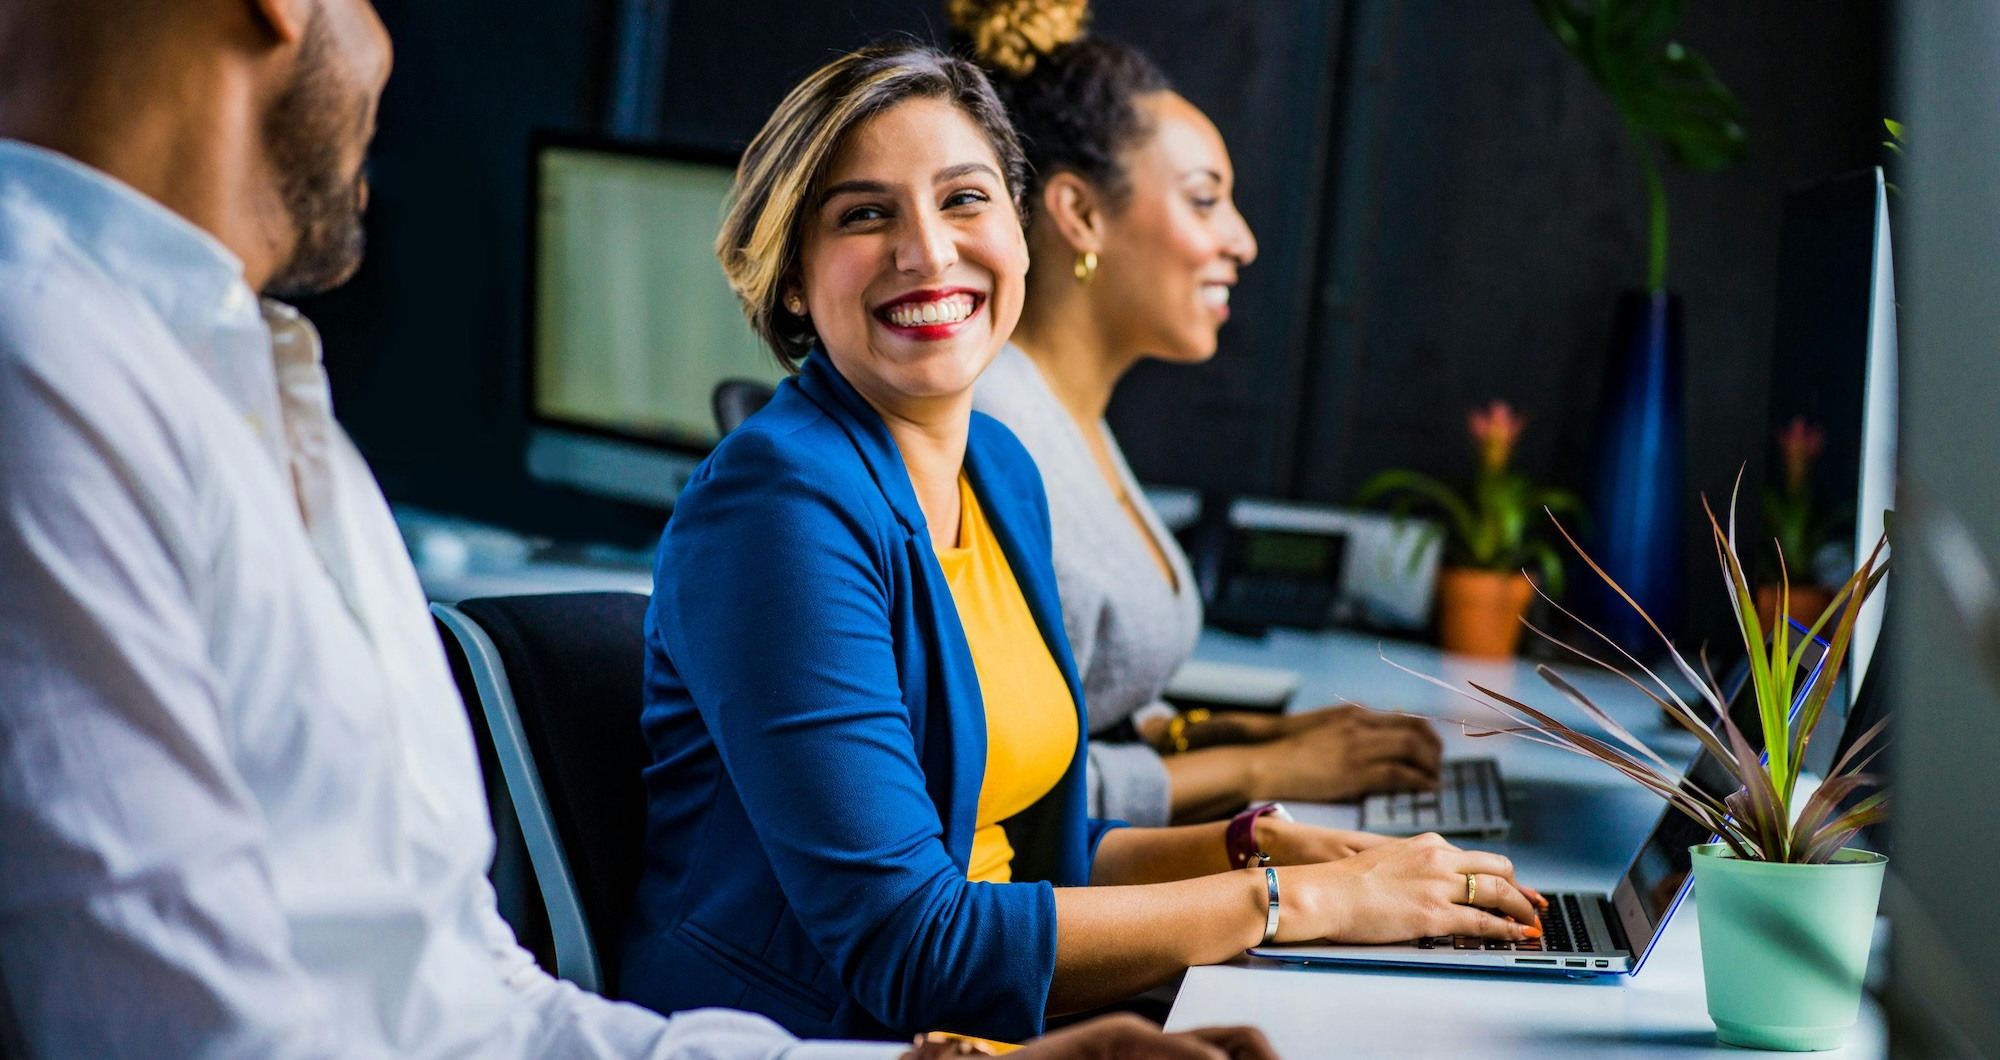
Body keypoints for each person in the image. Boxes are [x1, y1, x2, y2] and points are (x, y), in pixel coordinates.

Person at [0, 2, 1273, 1057]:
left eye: (960, 199)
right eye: (864, 212)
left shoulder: (256, 388)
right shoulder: (49, 371)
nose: (389, 48)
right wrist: (1275, 899)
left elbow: (471, 1000)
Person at [624, 38, 1545, 1047]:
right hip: (822, 1036)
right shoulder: (777, 508)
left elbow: (1032, 858)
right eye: (863, 214)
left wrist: (1255, 846)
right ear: (794, 279)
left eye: (964, 199)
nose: (928, 251)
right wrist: (1298, 902)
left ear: (1021, 235)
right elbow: (909, 942)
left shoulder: (1000, 471)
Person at [955, 0, 1445, 829]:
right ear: (1080, 214)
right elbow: (1001, 787)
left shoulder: (1070, 417)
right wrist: (1259, 766)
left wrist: (1236, 731)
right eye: (1204, 200)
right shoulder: (995, 435)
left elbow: (1083, 701)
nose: (1243, 240)